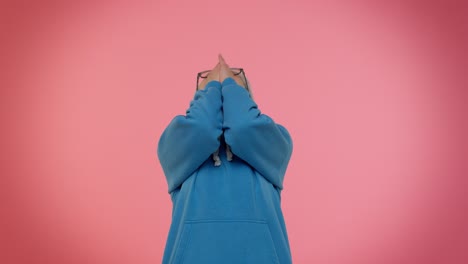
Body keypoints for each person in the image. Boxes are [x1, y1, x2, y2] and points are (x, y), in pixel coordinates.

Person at [157, 54, 293, 264]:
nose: (221, 79)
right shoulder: (175, 140)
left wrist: (228, 83)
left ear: (244, 95)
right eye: (211, 78)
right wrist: (213, 85)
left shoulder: (276, 139)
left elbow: (243, 126)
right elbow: (202, 127)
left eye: (233, 77)